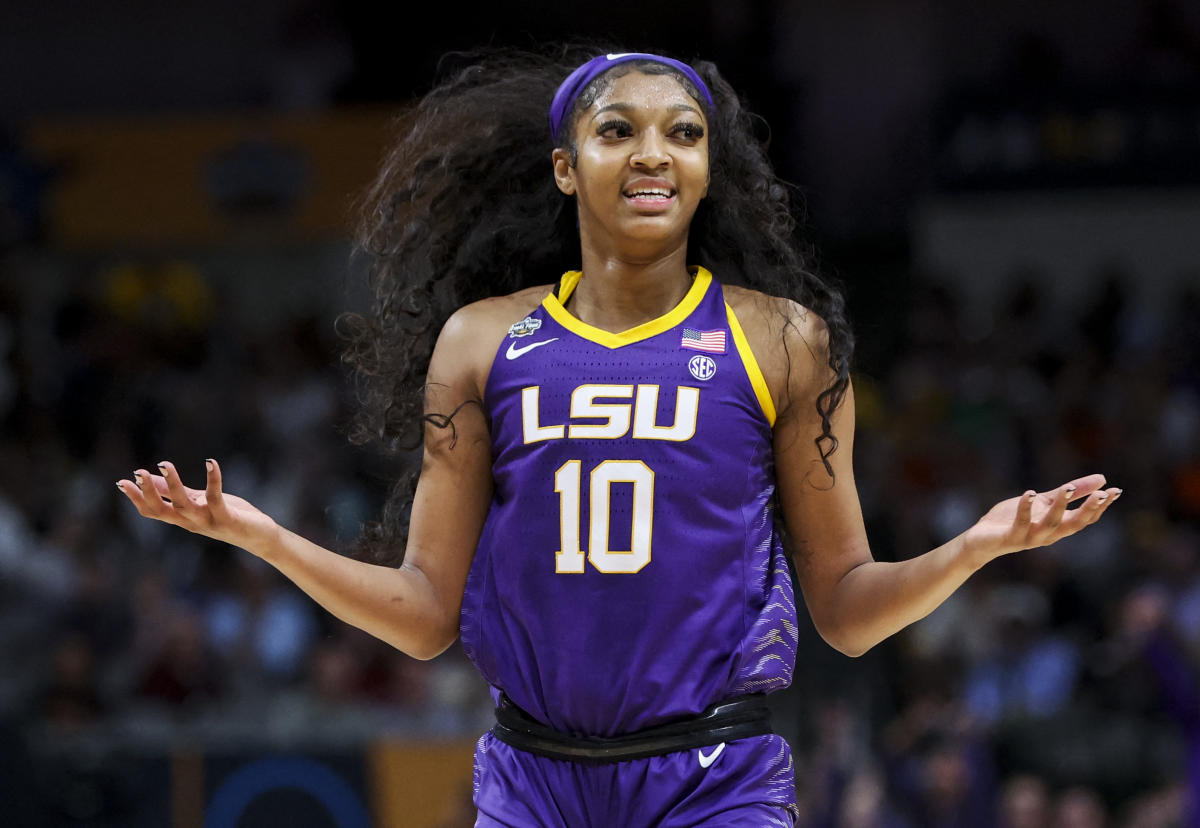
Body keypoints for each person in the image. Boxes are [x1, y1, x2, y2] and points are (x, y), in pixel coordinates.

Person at [116, 48, 1123, 826]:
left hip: (713, 779)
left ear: (706, 167)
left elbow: (850, 612)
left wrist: (976, 548)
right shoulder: (483, 342)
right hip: (532, 779)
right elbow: (426, 614)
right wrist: (264, 538)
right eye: (618, 131)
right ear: (566, 166)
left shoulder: (780, 341)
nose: (653, 152)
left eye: (684, 133)